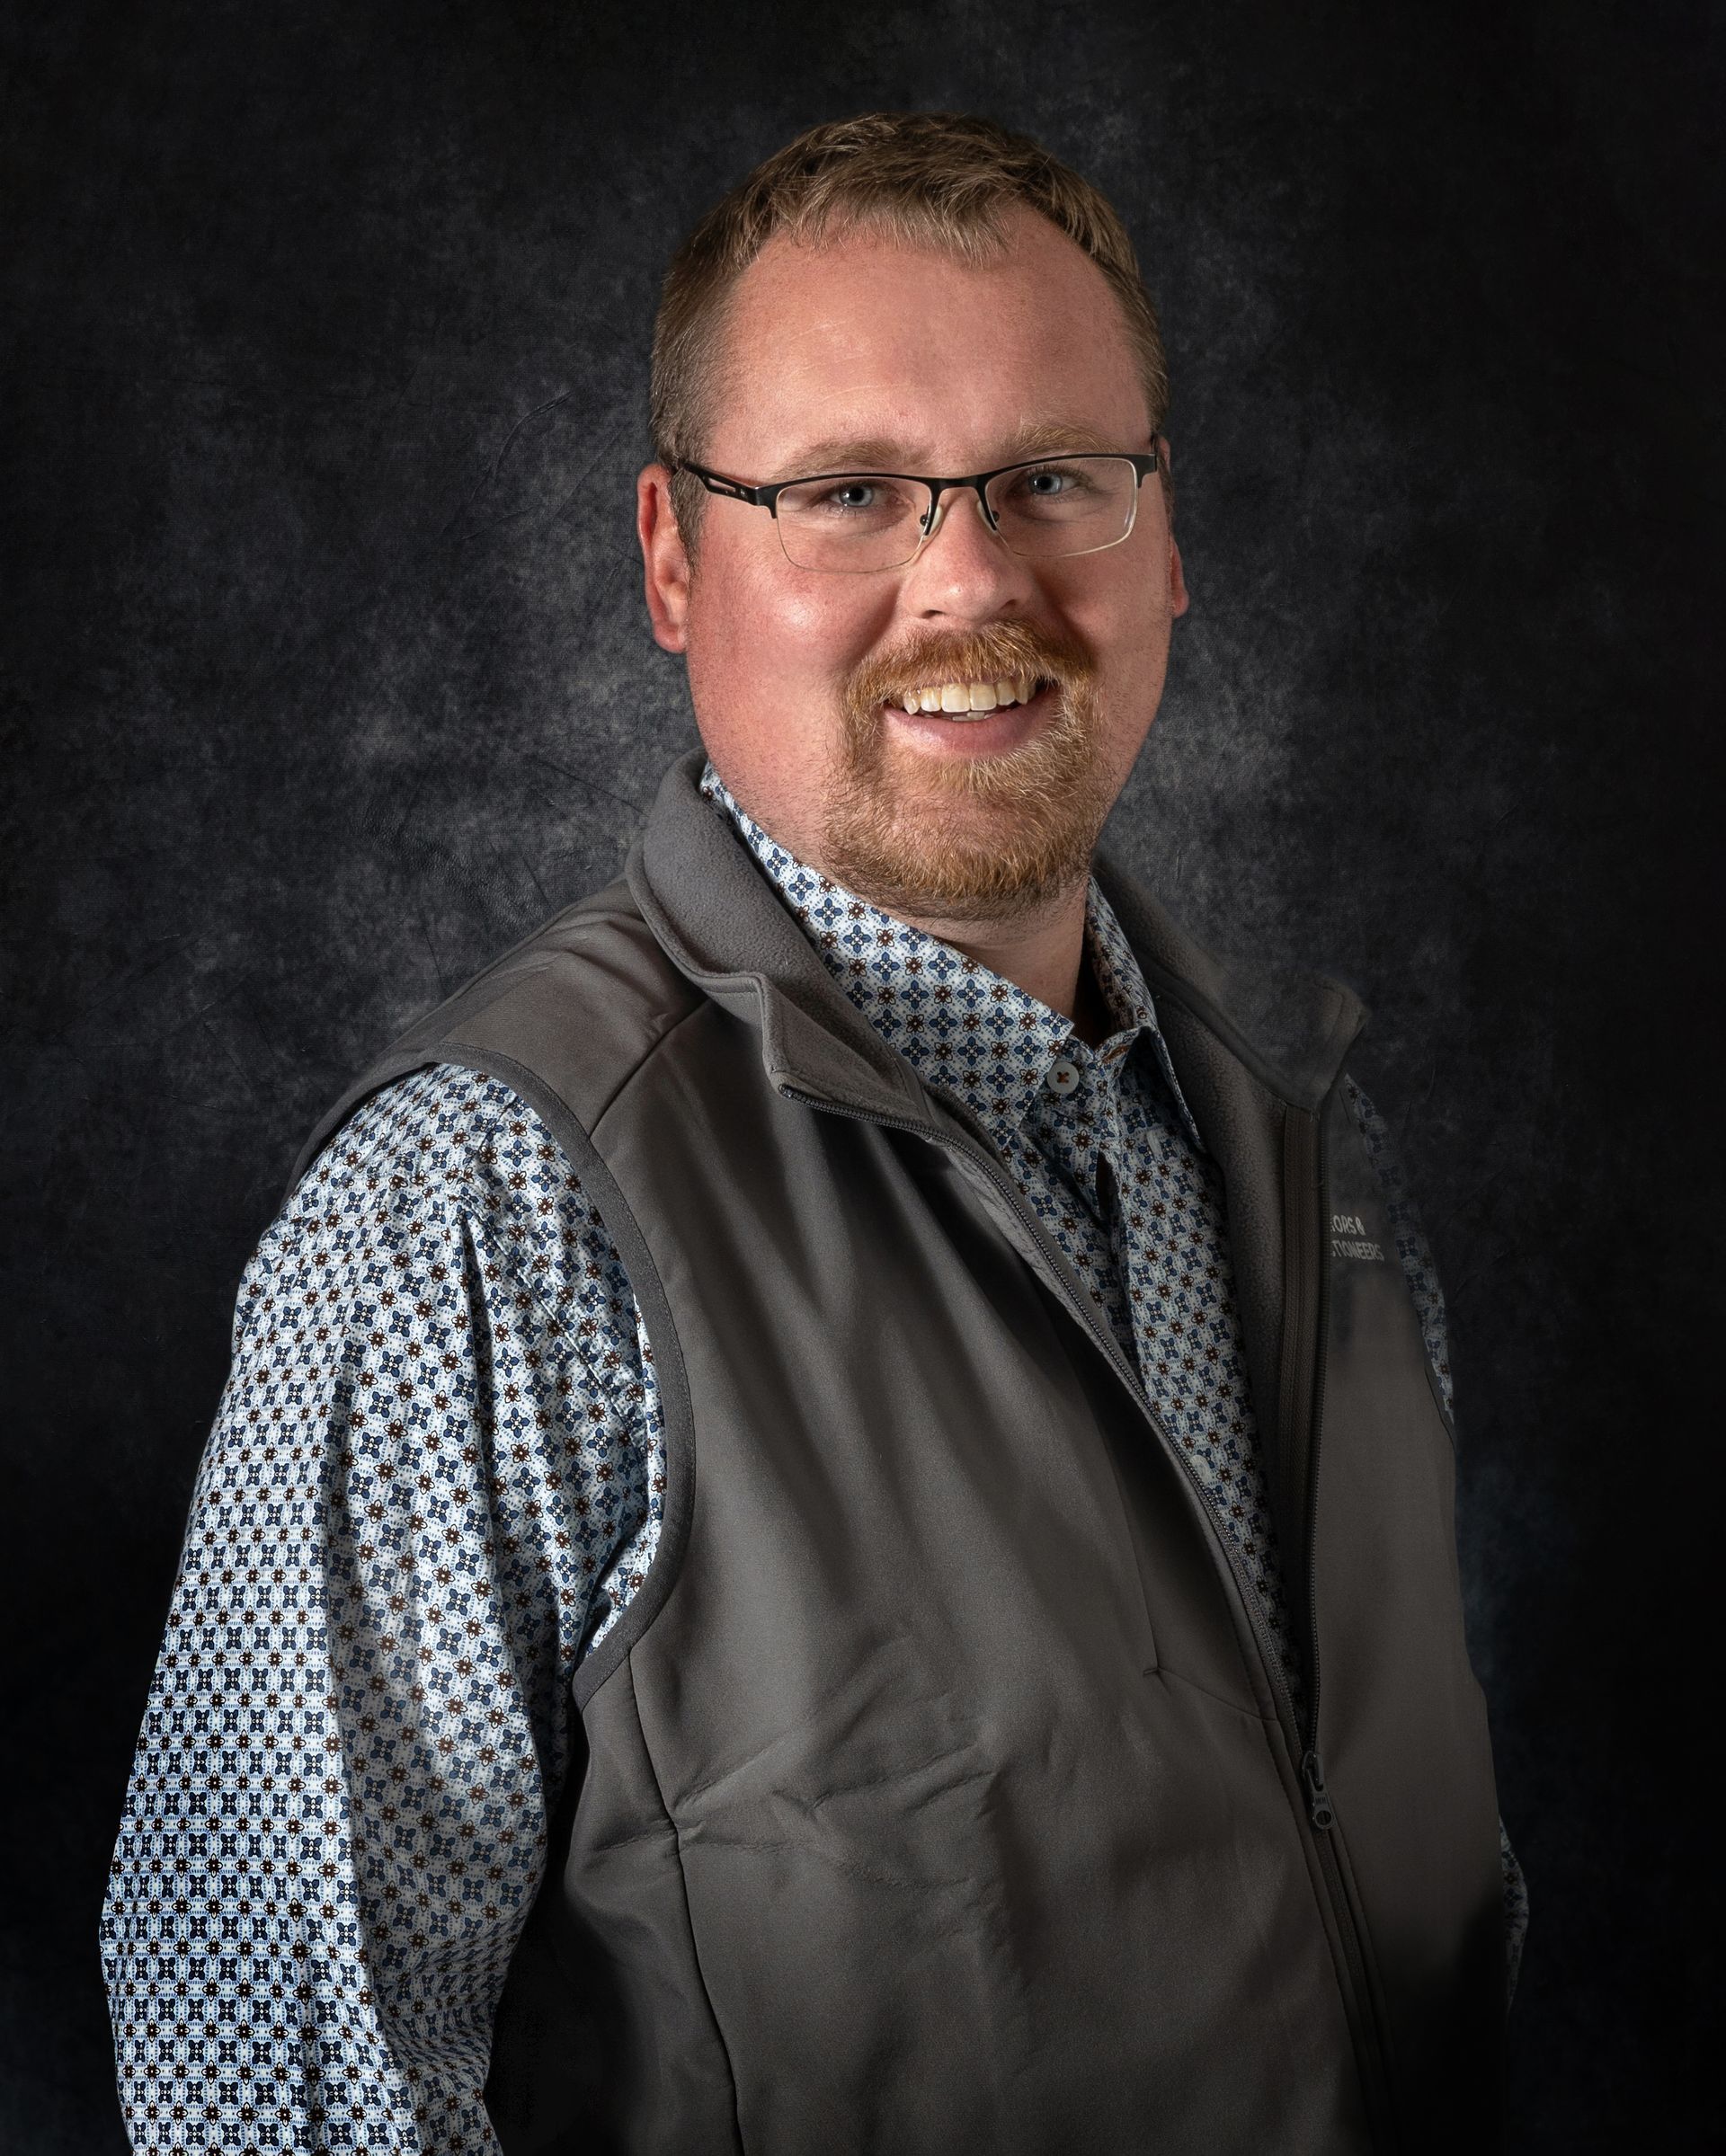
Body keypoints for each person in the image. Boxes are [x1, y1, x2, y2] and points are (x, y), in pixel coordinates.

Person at [102, 111, 1525, 2154]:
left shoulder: (1315, 1152)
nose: (971, 579)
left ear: (1169, 533)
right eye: (849, 492)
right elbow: (282, 2095)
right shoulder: (478, 1211)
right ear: (676, 563)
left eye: (1055, 479)